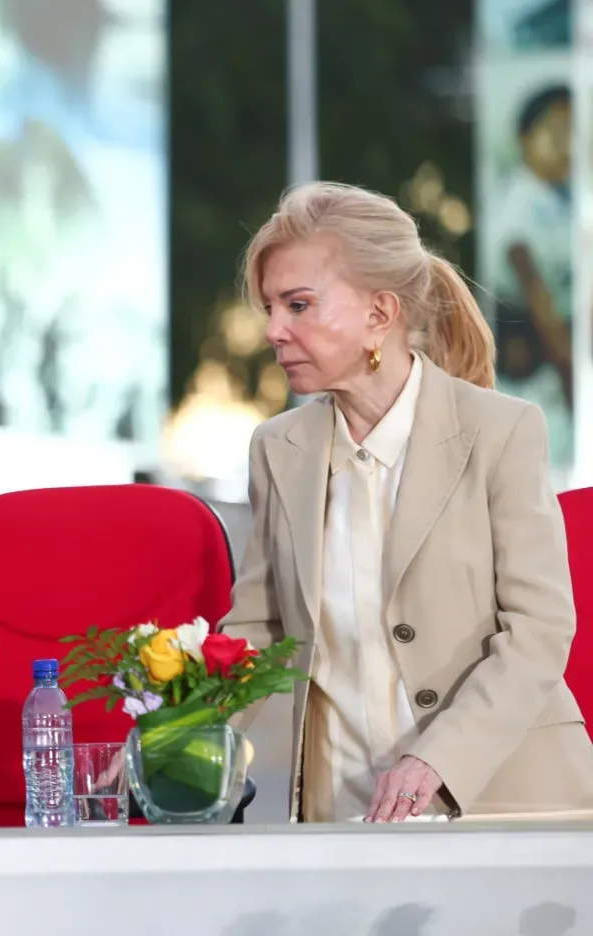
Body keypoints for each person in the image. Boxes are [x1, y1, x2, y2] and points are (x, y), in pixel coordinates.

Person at [224, 181, 593, 824]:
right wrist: (176, 738)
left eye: (299, 304)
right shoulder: (276, 449)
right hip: (342, 812)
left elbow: (539, 630)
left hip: (505, 803)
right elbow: (258, 633)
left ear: (379, 312)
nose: (274, 331)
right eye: (269, 308)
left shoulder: (503, 430)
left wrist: (438, 760)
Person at [489, 84, 573, 468]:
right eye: (554, 134)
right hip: (538, 375)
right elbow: (539, 300)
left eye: (572, 134)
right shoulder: (517, 205)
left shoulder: (566, 200)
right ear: (525, 138)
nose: (566, 147)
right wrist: (573, 377)